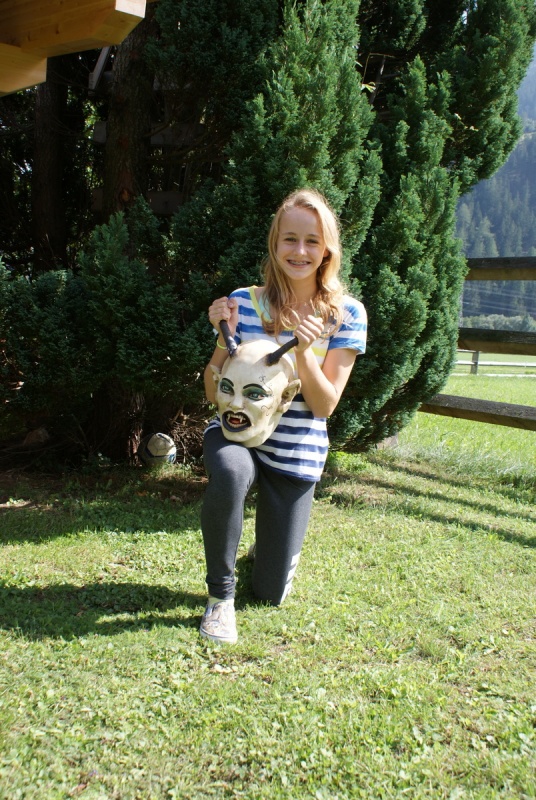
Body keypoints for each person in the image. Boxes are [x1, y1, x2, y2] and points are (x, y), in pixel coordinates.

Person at [200, 188, 367, 644]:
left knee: (270, 593)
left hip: (297, 451)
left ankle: (266, 550)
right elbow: (213, 390)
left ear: (327, 249)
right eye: (290, 239)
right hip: (236, 435)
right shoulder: (242, 302)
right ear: (275, 243)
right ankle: (220, 599)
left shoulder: (346, 315)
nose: (300, 251)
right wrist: (221, 336)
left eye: (312, 241)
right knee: (230, 473)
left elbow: (324, 406)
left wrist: (305, 350)